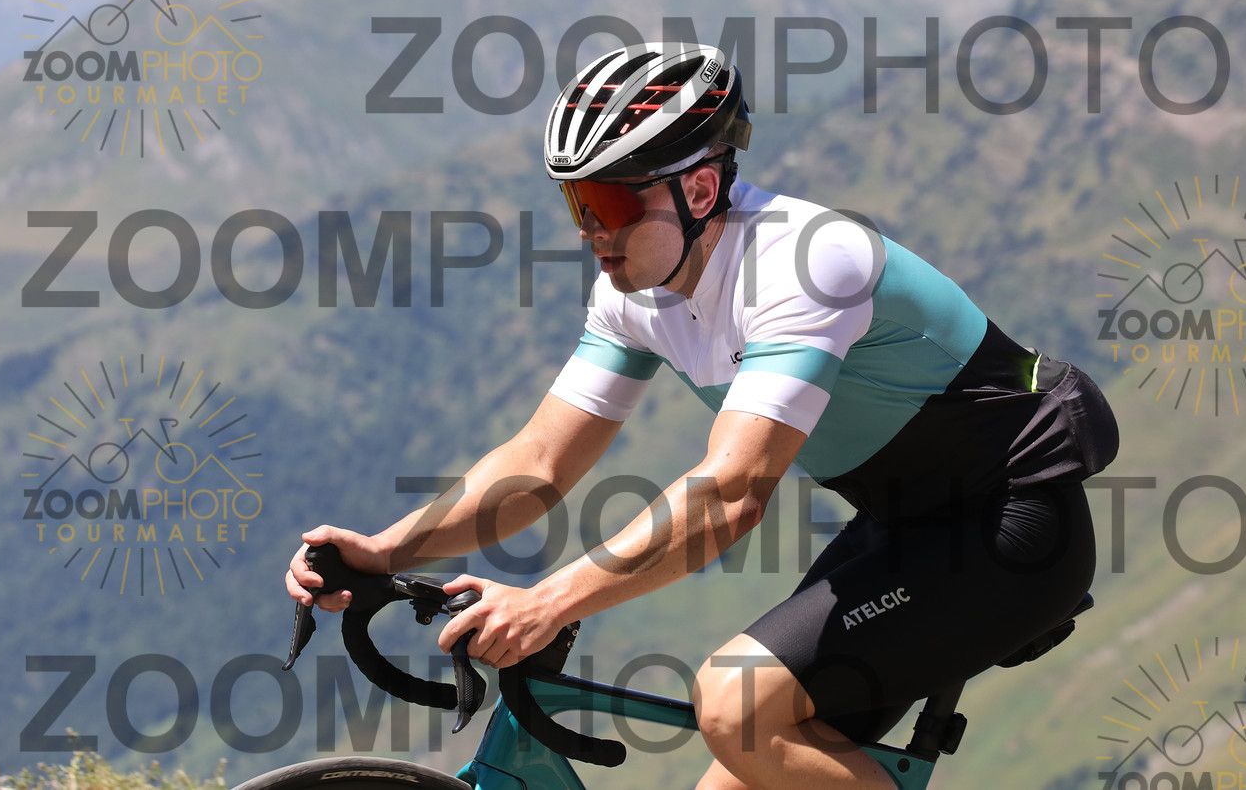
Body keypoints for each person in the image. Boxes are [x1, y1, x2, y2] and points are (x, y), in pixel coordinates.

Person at [287, 42, 1118, 790]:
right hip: (903, 527)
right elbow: (538, 463)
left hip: (1010, 529)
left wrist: (551, 600)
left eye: (610, 203)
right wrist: (387, 549)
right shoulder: (633, 293)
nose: (592, 232)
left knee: (735, 704)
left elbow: (731, 494)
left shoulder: (804, 264)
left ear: (699, 187)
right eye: (577, 204)